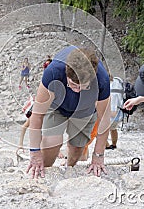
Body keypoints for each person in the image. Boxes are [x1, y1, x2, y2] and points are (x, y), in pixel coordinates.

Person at [27, 46, 111, 178]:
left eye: (83, 87)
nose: (77, 90)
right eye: (73, 85)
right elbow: (37, 115)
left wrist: (98, 156)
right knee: (51, 143)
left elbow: (104, 119)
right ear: (66, 73)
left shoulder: (102, 79)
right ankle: (44, 172)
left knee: (77, 147)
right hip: (57, 105)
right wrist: (34, 152)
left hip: (85, 109)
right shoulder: (54, 72)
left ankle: (69, 168)